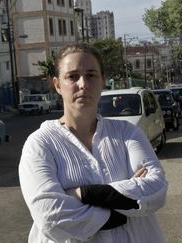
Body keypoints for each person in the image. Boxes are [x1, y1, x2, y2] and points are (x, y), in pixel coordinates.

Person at [18, 43, 167, 243]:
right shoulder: (40, 144)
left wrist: (82, 193)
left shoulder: (127, 133)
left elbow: (156, 190)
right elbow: (51, 217)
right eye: (72, 76)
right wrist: (123, 208)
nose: (83, 84)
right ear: (57, 85)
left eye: (91, 75)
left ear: (102, 80)